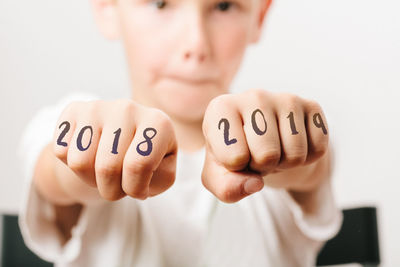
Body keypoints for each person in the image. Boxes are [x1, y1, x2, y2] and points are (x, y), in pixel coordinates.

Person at [18, 0, 342, 266]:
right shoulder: (68, 120)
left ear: (260, 15)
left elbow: (309, 168)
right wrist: (87, 155)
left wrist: (285, 146)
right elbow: (58, 173)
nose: (195, 44)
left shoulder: (288, 130)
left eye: (224, 6)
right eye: (160, 4)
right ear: (107, 7)